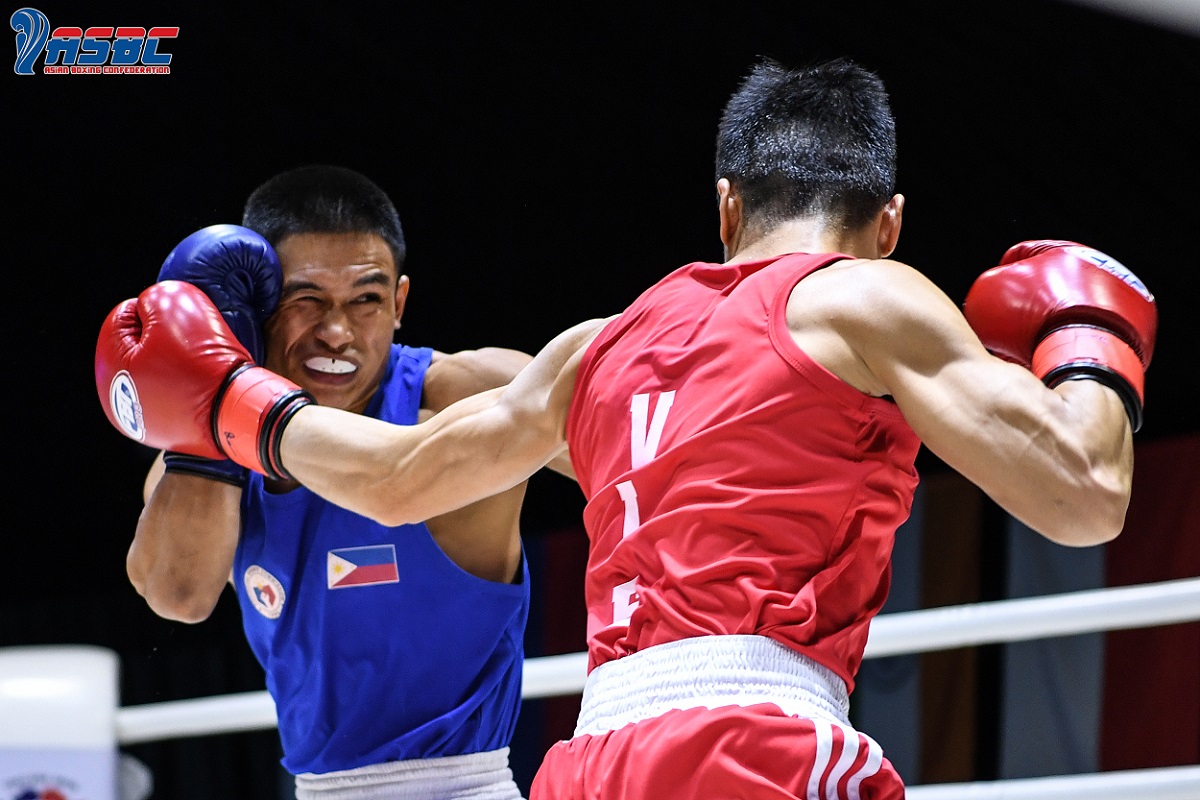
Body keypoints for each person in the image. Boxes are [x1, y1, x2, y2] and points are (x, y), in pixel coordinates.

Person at [97, 57, 1158, 799]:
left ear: (726, 206)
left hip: (593, 758)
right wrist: (1089, 339)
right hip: (758, 738)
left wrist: (235, 400)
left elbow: (396, 476)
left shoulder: (600, 343)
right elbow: (1083, 494)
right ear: (887, 224)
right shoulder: (868, 296)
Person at [121, 164, 574, 799]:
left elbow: (640, 453)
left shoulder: (466, 397)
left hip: (465, 785)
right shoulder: (213, 453)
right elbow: (178, 595)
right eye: (305, 301)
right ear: (256, 309)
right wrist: (212, 405)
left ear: (400, 303)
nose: (336, 333)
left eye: (366, 299)